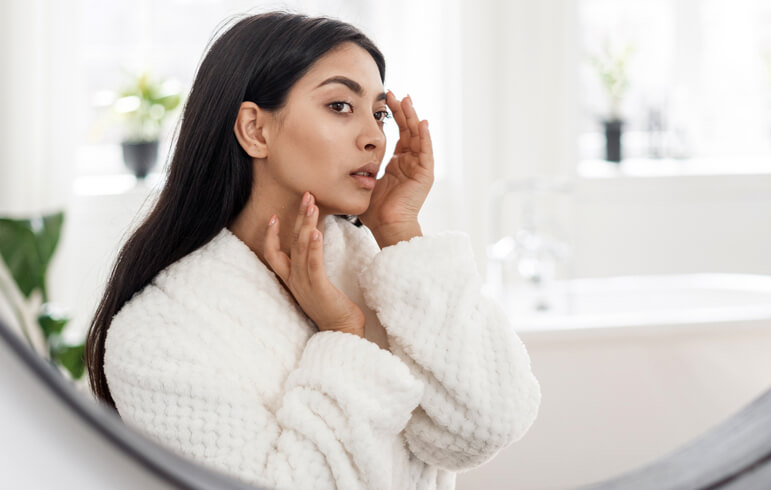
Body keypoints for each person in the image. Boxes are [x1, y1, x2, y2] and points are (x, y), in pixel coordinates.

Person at [85, 11, 541, 490]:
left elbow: (490, 423)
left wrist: (400, 230)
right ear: (255, 130)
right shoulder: (159, 335)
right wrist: (344, 335)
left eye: (379, 113)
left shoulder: (376, 269)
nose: (375, 138)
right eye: (341, 106)